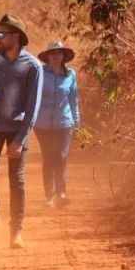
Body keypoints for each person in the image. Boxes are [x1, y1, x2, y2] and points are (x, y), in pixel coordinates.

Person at [0, 13, 43, 249]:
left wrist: (20, 139)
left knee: (17, 180)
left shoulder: (32, 66)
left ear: (16, 36)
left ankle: (16, 231)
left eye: (1, 34)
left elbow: (33, 107)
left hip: (17, 127)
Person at [34, 40, 81, 208]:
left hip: (64, 122)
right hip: (42, 124)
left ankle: (61, 193)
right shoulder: (40, 73)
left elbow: (73, 99)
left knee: (61, 157)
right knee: (48, 158)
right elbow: (34, 97)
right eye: (52, 53)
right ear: (47, 56)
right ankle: (49, 196)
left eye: (59, 53)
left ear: (63, 56)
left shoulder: (70, 75)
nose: (55, 56)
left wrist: (77, 121)